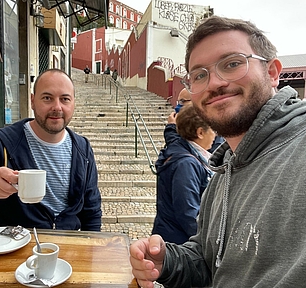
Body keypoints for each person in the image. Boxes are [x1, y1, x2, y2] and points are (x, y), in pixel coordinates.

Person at [130, 15, 306, 288]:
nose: (214, 83)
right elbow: (209, 262)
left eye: (233, 63)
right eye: (200, 75)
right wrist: (169, 261)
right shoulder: (222, 171)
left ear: (272, 73)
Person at [0, 69, 102, 231]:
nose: (57, 107)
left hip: (65, 248)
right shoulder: (3, 142)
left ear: (73, 103)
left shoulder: (82, 148)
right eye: (47, 98)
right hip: (12, 249)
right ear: (32, 101)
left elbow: (91, 212)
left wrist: (89, 251)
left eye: (65, 99)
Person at [152, 103, 215, 244]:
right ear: (200, 132)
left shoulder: (185, 152)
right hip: (181, 243)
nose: (215, 134)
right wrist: (208, 244)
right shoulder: (186, 164)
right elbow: (188, 213)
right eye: (213, 129)